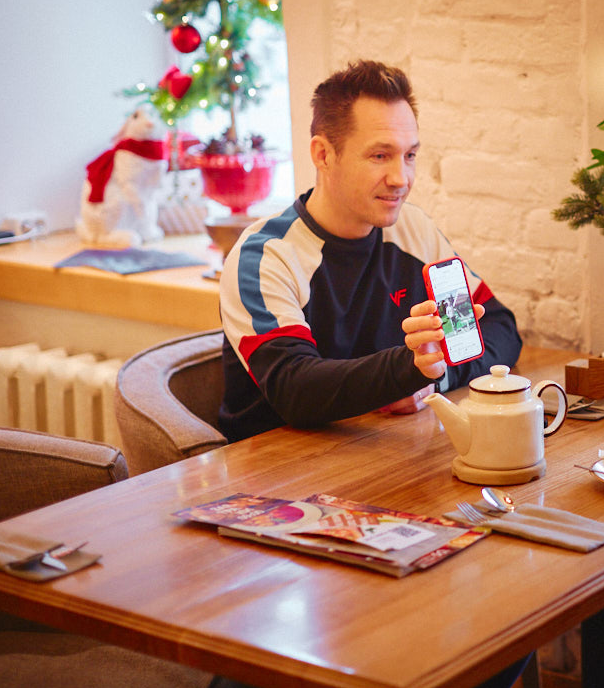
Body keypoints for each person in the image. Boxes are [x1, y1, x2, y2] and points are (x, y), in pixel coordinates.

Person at [217, 60, 523, 442]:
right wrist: (410, 367)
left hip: (383, 454)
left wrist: (434, 377)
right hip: (272, 476)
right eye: (380, 156)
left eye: (409, 155)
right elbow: (294, 390)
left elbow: (498, 327)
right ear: (323, 154)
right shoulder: (266, 256)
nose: (401, 179)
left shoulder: (414, 230)